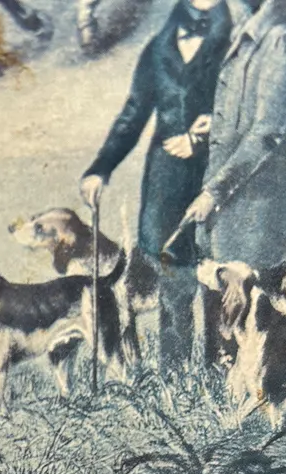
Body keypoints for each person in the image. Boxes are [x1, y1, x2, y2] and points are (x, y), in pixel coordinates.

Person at [80, 0, 232, 383]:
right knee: (174, 277)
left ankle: (221, 375)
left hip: (216, 176)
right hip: (166, 182)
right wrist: (101, 168)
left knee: (218, 275)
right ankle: (175, 380)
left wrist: (205, 135)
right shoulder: (160, 45)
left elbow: (244, 114)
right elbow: (134, 112)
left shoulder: (236, 42)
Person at [180, 0, 286, 299]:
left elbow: (268, 132)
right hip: (228, 208)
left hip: (258, 210)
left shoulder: (282, 38)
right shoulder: (250, 29)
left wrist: (214, 192)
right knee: (220, 313)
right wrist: (217, 123)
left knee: (253, 318)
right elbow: (246, 113)